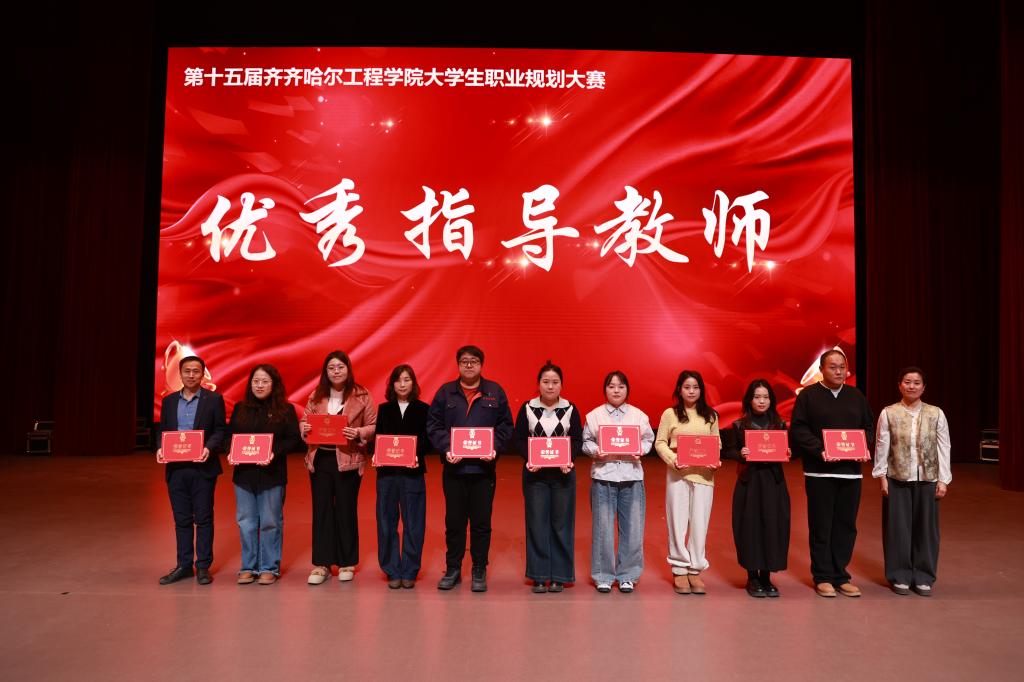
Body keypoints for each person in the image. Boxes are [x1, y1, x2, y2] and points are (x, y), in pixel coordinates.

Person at [427, 345, 513, 593]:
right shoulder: (446, 392)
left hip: (483, 470)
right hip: (454, 470)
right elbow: (433, 425)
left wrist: (494, 447)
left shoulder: (494, 392)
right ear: (458, 365)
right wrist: (447, 448)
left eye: (474, 361)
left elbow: (506, 426)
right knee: (454, 522)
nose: (469, 365)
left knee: (481, 522)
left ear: (481, 365)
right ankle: (453, 568)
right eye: (464, 361)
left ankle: (479, 568)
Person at [790, 349, 874, 598]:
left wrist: (864, 447)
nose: (838, 371)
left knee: (846, 526)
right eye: (832, 367)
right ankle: (823, 576)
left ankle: (841, 575)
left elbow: (868, 426)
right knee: (821, 525)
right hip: (820, 473)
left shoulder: (856, 396)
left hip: (850, 473)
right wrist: (821, 450)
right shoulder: (808, 396)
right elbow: (799, 429)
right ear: (821, 370)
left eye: (842, 367)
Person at [872, 366, 951, 596]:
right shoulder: (889, 413)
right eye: (907, 382)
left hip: (928, 478)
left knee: (926, 530)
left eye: (917, 383)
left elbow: (944, 446)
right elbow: (882, 446)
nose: (912, 386)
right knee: (898, 529)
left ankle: (924, 576)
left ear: (924, 387)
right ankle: (899, 575)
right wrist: (881, 476)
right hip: (897, 477)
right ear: (900, 385)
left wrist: (943, 479)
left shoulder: (936, 413)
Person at [300, 351, 376, 585]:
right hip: (320, 459)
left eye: (340, 367)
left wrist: (359, 432)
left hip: (348, 460)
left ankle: (346, 562)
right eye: (331, 367)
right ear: (326, 371)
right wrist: (304, 427)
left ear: (348, 369)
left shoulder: (362, 395)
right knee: (321, 510)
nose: (336, 371)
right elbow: (304, 419)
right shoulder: (316, 395)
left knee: (346, 509)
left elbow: (373, 425)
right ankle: (322, 564)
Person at [512, 360, 583, 593]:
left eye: (555, 382)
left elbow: (576, 439)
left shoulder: (570, 408)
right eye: (545, 382)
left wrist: (569, 459)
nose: (550, 386)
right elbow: (519, 439)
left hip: (563, 475)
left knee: (562, 524)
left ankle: (560, 576)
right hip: (535, 476)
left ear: (561, 385)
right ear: (538, 384)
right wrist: (529, 458)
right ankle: (540, 575)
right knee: (537, 523)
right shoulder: (527, 408)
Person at [156, 355, 227, 585]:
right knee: (182, 519)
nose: (191, 375)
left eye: (196, 371)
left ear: (203, 374)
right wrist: (160, 448)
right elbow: (163, 431)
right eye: (187, 371)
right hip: (176, 469)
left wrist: (208, 448)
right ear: (180, 373)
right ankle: (184, 566)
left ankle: (203, 566)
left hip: (203, 468)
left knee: (204, 519)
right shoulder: (169, 401)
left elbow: (220, 430)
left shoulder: (214, 399)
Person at [581, 370, 655, 594]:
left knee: (633, 528)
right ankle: (603, 575)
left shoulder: (639, 416)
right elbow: (586, 441)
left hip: (632, 476)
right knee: (603, 528)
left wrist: (640, 450)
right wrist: (596, 451)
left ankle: (628, 575)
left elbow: (648, 439)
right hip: (603, 476)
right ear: (605, 390)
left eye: (621, 386)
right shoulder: (594, 416)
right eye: (611, 386)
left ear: (627, 390)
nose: (616, 390)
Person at [229, 364, 303, 585]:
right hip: (244, 475)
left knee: (270, 522)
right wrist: (230, 451)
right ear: (250, 384)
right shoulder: (240, 408)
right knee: (246, 522)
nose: (259, 385)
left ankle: (269, 567)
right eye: (256, 381)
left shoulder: (285, 410)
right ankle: (248, 566)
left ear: (274, 385)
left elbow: (293, 439)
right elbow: (229, 437)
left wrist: (273, 452)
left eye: (265, 381)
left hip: (272, 475)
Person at [655, 370, 721, 595]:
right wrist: (673, 460)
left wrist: (714, 460)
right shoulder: (670, 414)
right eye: (687, 387)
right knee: (677, 522)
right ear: (679, 390)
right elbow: (660, 442)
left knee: (700, 524)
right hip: (679, 474)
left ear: (701, 390)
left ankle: (695, 569)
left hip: (704, 475)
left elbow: (717, 443)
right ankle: (679, 568)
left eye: (695, 387)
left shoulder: (711, 415)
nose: (691, 391)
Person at [723, 379, 791, 598]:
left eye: (766, 397)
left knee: (773, 525)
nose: (762, 401)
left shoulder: (780, 424)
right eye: (757, 397)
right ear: (749, 400)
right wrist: (740, 454)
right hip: (750, 483)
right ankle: (752, 577)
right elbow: (729, 451)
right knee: (750, 527)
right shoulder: (739, 425)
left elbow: (789, 450)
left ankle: (766, 577)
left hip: (774, 482)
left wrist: (788, 452)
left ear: (771, 400)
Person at [369, 364, 431, 589]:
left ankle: (410, 570)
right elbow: (379, 438)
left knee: (414, 523)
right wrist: (376, 455)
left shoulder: (424, 409)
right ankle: (392, 569)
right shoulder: (384, 409)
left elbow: (427, 440)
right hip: (387, 474)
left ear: (413, 383)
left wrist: (415, 454)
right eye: (398, 380)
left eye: (407, 379)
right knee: (386, 522)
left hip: (412, 473)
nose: (402, 384)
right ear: (392, 384)